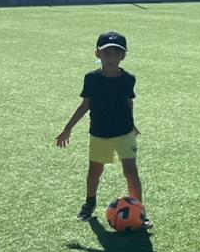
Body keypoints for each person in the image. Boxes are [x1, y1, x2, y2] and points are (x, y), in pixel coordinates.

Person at [56, 31, 150, 229]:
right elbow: (85, 105)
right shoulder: (92, 79)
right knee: (95, 172)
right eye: (107, 53)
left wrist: (132, 124)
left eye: (117, 53)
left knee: (131, 172)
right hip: (99, 133)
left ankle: (139, 211)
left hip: (124, 132)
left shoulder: (128, 79)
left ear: (123, 56)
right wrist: (68, 129)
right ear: (97, 54)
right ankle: (89, 204)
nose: (112, 57)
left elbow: (127, 102)